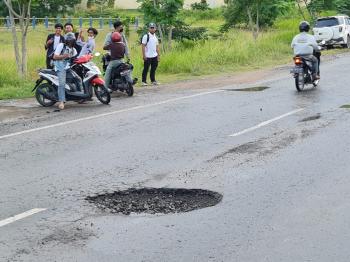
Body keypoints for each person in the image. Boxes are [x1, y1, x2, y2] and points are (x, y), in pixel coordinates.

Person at [53, 33, 78, 110]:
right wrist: (64, 56)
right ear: (66, 41)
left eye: (72, 40)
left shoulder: (74, 50)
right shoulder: (61, 45)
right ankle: (61, 101)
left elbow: (75, 58)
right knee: (62, 83)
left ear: (74, 41)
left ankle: (80, 98)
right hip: (60, 67)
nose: (70, 42)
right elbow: (55, 56)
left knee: (78, 79)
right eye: (68, 40)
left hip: (67, 67)